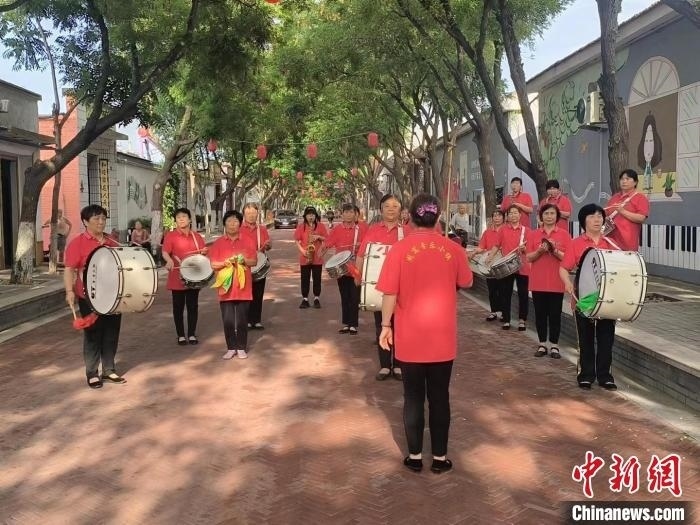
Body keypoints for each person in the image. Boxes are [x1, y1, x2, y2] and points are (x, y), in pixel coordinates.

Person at [376, 193, 473, 474]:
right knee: (440, 397)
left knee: (413, 397)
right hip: (442, 337)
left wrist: (385, 326)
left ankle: (415, 456)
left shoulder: (399, 249)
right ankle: (440, 458)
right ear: (438, 217)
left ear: (409, 217)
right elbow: (466, 281)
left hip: (409, 337)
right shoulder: (453, 249)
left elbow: (389, 293)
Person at [559, 203, 621, 391]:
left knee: (606, 339)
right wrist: (567, 283)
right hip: (583, 299)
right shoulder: (576, 243)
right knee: (585, 339)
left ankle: (605, 376)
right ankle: (586, 375)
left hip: (607, 299)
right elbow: (564, 268)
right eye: (592, 216)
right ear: (583, 221)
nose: (597, 220)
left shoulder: (611, 244)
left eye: (600, 216)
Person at [64, 205, 125, 389]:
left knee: (112, 331)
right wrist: (69, 291)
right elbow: (69, 269)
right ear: (85, 221)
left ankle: (109, 369)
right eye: (96, 219)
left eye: (103, 218)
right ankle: (92, 372)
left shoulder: (112, 242)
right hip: (89, 296)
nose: (101, 222)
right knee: (93, 333)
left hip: (113, 295)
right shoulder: (77, 243)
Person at [355, 194, 408, 381]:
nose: (391, 209)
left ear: (401, 210)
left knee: (400, 326)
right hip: (379, 287)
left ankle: (399, 364)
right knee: (381, 324)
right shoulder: (373, 230)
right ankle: (385, 365)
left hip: (402, 288)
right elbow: (361, 255)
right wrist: (358, 277)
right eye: (387, 206)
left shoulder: (407, 231)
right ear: (381, 210)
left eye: (395, 206)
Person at [209, 210, 257, 360]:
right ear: (224, 224)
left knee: (242, 320)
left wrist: (244, 260)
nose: (232, 224)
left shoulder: (248, 241)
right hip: (225, 288)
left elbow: (254, 261)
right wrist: (225, 263)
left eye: (235, 221)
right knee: (228, 320)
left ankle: (241, 347)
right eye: (229, 221)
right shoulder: (218, 243)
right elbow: (213, 264)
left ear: (240, 224)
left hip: (243, 287)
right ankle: (231, 347)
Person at [526, 203, 572, 359]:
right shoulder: (533, 234)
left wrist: (554, 250)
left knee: (555, 315)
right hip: (538, 281)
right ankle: (542, 344)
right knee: (540, 314)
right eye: (546, 213)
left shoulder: (564, 235)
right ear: (541, 216)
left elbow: (568, 259)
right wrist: (539, 251)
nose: (549, 216)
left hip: (556, 281)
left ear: (557, 216)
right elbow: (529, 257)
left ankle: (554, 345)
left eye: (552, 213)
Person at [162, 208, 208, 345]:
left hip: (194, 276)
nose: (181, 219)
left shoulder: (197, 237)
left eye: (184, 216)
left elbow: (202, 254)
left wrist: (204, 252)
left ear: (189, 219)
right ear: (175, 221)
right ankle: (181, 335)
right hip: (177, 276)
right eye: (178, 217)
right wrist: (169, 260)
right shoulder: (171, 236)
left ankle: (192, 334)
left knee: (193, 306)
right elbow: (165, 252)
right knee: (178, 307)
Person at [322, 203, 364, 334]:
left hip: (356, 267)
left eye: (351, 212)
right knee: (344, 296)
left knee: (354, 296)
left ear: (355, 214)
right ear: (342, 214)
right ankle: (346, 323)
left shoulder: (362, 228)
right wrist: (323, 248)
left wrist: (361, 244)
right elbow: (328, 242)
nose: (348, 215)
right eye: (346, 212)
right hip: (341, 268)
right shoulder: (337, 229)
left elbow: (369, 243)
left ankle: (353, 324)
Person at [488, 205, 530, 331]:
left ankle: (522, 320)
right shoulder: (503, 230)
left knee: (523, 294)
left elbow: (531, 249)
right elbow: (496, 245)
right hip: (506, 267)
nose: (513, 215)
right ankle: (506, 319)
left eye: (515, 213)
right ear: (507, 216)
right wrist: (490, 257)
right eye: (510, 213)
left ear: (520, 215)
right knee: (505, 293)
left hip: (522, 266)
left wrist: (525, 249)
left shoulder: (527, 231)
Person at [240, 203, 272, 330]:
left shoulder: (262, 229)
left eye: (253, 213)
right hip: (243, 265)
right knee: (246, 294)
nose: (251, 216)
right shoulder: (239, 229)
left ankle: (256, 320)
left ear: (257, 214)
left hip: (259, 265)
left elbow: (268, 246)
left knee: (258, 293)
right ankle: (247, 320)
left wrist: (268, 245)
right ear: (244, 214)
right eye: (248, 213)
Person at [470, 209, 504, 321]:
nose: (497, 218)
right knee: (492, 289)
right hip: (489, 263)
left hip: (502, 264)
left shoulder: (506, 231)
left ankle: (504, 312)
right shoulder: (487, 232)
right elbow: (481, 247)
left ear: (503, 218)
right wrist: (474, 252)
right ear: (492, 218)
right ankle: (493, 311)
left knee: (503, 289)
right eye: (495, 216)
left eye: (499, 216)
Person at [604, 169, 649, 251]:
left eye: (627, 179)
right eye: (622, 179)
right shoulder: (614, 197)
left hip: (627, 243)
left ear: (635, 182)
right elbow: (606, 214)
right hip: (610, 241)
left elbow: (641, 218)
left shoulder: (641, 198)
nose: (624, 181)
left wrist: (622, 211)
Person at [294, 206, 328, 309]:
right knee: (305, 278)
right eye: (309, 215)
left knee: (317, 278)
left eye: (313, 215)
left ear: (315, 216)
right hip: (305, 257)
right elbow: (296, 240)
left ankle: (316, 298)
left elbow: (327, 239)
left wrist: (318, 237)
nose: (311, 217)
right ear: (305, 216)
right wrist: (303, 251)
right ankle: (305, 299)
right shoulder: (301, 227)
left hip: (317, 257)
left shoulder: (321, 226)